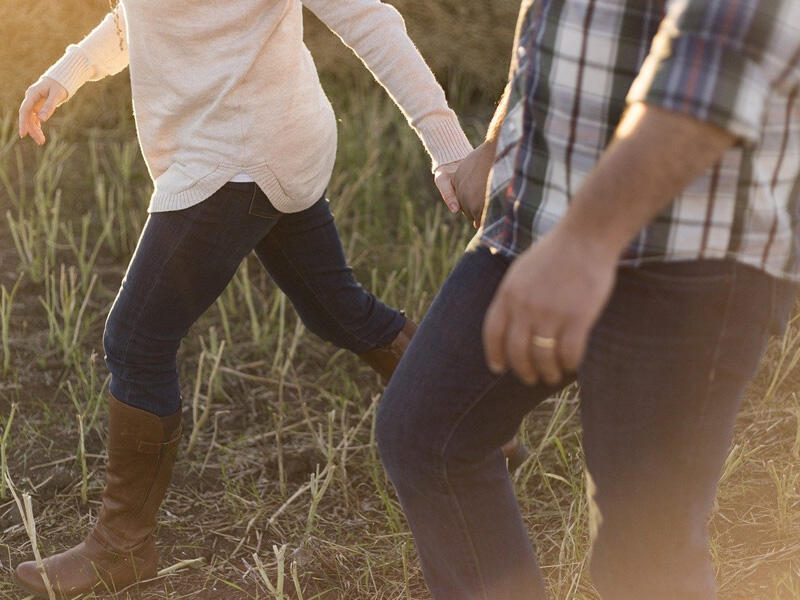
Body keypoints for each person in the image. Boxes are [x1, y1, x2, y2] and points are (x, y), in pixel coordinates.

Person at [12, 1, 481, 597]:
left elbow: (368, 18)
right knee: (335, 310)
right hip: (268, 136)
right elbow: (145, 16)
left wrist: (452, 151)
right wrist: (67, 71)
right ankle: (467, 417)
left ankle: (122, 546)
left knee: (135, 339)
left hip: (236, 155)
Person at [376, 1, 800, 598]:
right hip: (542, 215)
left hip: (689, 248)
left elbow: (720, 67)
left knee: (644, 555)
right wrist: (501, 141)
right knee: (426, 433)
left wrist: (585, 242)